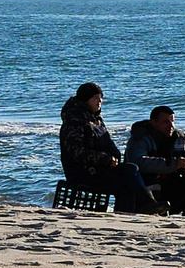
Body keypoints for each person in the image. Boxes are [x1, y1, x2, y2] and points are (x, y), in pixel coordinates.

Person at [58, 83, 154, 212]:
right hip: (82, 173)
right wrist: (107, 159)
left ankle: (133, 212)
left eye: (101, 98)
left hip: (101, 169)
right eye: (95, 98)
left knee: (130, 170)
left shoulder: (97, 120)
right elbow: (77, 153)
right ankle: (145, 204)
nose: (100, 101)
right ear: (85, 100)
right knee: (127, 180)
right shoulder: (74, 122)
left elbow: (109, 144)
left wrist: (114, 157)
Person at [127, 105, 185, 219]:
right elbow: (137, 162)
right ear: (153, 122)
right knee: (150, 178)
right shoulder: (140, 138)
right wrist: (173, 164)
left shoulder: (179, 139)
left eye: (172, 121)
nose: (171, 126)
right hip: (145, 193)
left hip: (171, 187)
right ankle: (153, 214)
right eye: (165, 122)